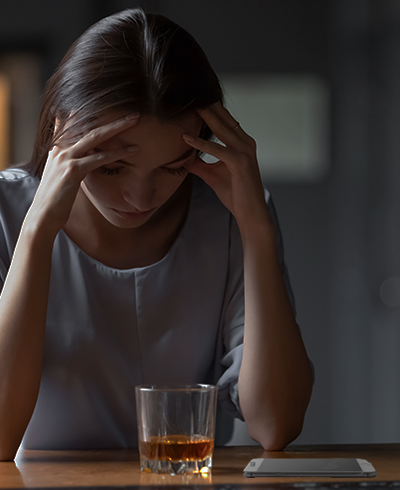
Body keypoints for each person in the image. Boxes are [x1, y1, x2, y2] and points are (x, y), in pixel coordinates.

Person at [0, 8, 313, 460]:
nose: (141, 198)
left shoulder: (228, 218)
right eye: (111, 167)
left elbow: (276, 424)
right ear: (61, 132)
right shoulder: (7, 213)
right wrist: (37, 232)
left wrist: (256, 228)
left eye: (173, 167)